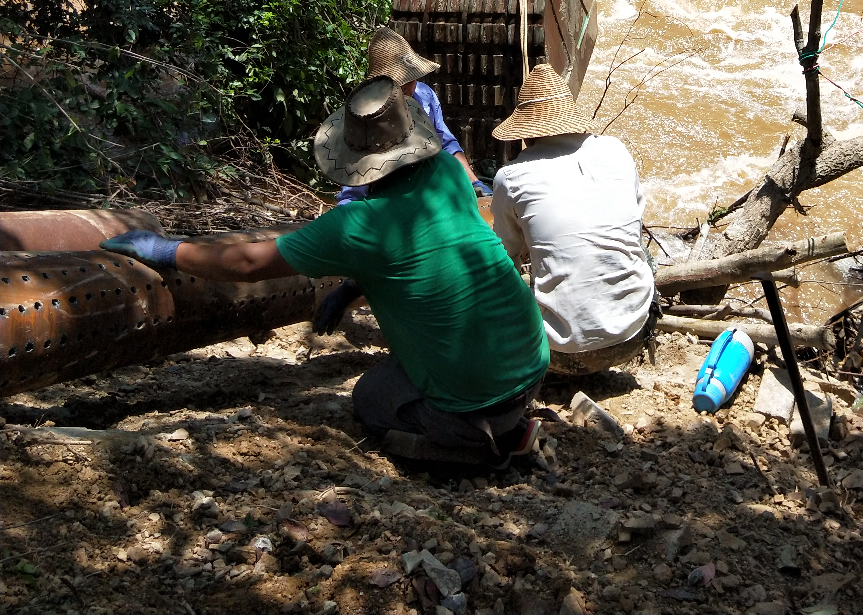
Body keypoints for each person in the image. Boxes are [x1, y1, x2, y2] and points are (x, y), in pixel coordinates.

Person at [101, 50, 549, 466]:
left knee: (370, 397)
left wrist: (164, 249)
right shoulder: (450, 173)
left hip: (476, 398)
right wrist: (356, 285)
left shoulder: (356, 226)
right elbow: (436, 247)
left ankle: (474, 446)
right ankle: (503, 420)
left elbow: (247, 264)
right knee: (415, 359)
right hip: (532, 361)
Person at [490, 62, 658, 376]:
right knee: (644, 254)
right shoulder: (616, 150)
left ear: (524, 134)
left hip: (560, 355)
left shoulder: (510, 177)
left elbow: (505, 259)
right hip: (634, 332)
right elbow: (634, 225)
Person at [334, 27, 487, 206]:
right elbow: (359, 167)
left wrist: (474, 182)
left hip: (431, 191)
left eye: (411, 79)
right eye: (399, 82)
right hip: (386, 197)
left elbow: (446, 143)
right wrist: (350, 204)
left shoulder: (425, 96)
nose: (407, 87)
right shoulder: (368, 111)